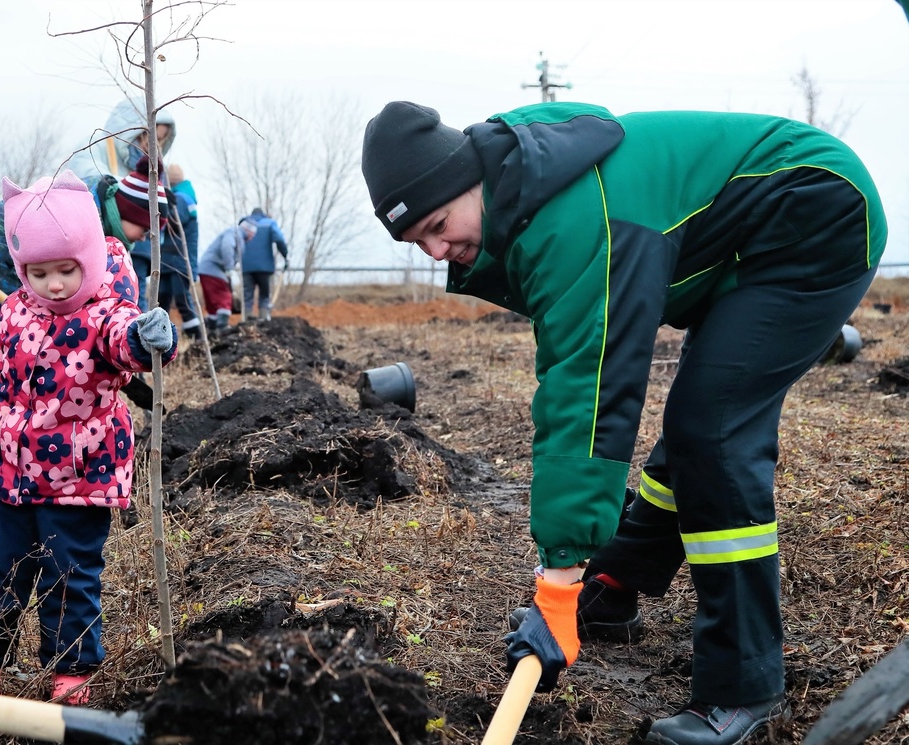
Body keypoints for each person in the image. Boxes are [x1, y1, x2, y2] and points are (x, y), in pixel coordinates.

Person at [361, 100, 886, 745]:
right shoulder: (523, 187)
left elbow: (589, 393)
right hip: (744, 244)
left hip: (818, 216)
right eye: (420, 243)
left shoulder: (576, 219)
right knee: (700, 416)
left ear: (469, 180)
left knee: (713, 428)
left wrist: (556, 582)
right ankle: (621, 578)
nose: (439, 251)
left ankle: (744, 685)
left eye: (439, 225)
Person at [0, 169, 178, 705]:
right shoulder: (14, 309)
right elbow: (1, 369)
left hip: (79, 474)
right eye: (38, 272)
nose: (54, 285)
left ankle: (72, 668)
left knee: (70, 572)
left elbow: (124, 341)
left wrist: (150, 339)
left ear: (89, 260)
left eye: (65, 270)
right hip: (11, 466)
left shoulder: (104, 311)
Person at [0, 155, 170, 341]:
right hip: (11, 278)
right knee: (15, 339)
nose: (144, 238)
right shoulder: (81, 206)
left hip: (55, 293)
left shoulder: (112, 235)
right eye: (145, 230)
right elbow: (10, 209)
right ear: (130, 213)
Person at [65, 97, 177, 307]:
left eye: (159, 141)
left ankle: (134, 332)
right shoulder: (98, 144)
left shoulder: (153, 167)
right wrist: (127, 187)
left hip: (136, 247)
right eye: (146, 137)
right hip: (101, 242)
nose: (151, 145)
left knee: (134, 294)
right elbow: (87, 174)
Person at [156, 163, 203, 343]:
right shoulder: (179, 196)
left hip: (179, 260)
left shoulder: (181, 198)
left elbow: (174, 223)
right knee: (162, 301)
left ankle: (197, 338)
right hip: (168, 260)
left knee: (182, 299)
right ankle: (162, 339)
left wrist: (163, 209)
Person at [198, 218, 256, 335]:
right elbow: (227, 246)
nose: (253, 236)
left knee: (213, 305)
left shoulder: (236, 234)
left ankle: (211, 332)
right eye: (253, 232)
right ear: (248, 230)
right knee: (224, 299)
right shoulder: (235, 233)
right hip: (213, 269)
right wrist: (229, 268)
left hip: (206, 269)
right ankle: (222, 329)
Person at [240, 206, 288, 322]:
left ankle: (247, 321)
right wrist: (286, 256)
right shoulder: (269, 223)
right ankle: (263, 320)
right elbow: (280, 240)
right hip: (264, 267)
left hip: (246, 266)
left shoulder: (244, 224)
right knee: (264, 295)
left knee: (247, 296)